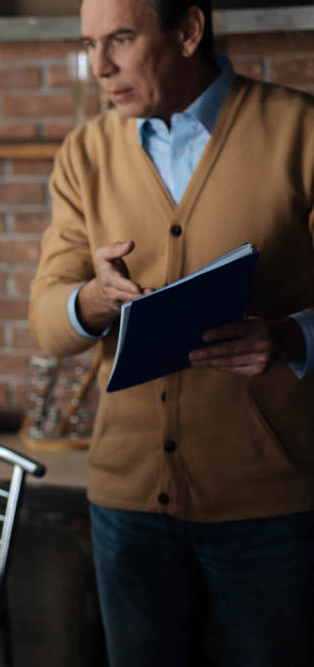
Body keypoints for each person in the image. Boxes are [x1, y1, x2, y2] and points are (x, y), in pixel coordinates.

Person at [29, 0, 314, 664]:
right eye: (89, 44)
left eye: (121, 39)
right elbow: (47, 322)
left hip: (267, 502)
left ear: (187, 30)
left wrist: (288, 338)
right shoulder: (84, 152)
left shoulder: (300, 132)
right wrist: (94, 298)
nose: (100, 66)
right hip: (125, 504)